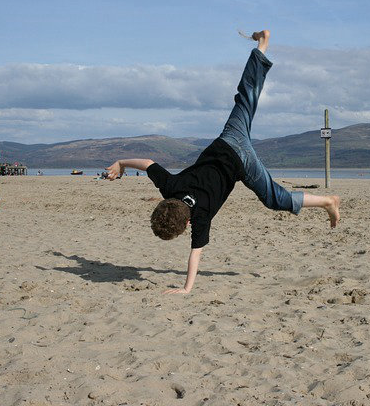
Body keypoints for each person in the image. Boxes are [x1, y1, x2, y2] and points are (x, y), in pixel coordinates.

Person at [106, 30, 340, 294]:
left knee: (275, 198)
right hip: (229, 138)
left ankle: (327, 201)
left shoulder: (201, 217)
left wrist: (186, 289)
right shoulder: (170, 186)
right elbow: (148, 162)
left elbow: (195, 255)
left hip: (242, 164)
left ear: (186, 225)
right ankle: (262, 45)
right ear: (164, 202)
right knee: (246, 95)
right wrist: (121, 163)